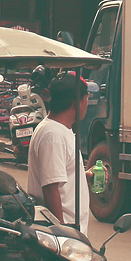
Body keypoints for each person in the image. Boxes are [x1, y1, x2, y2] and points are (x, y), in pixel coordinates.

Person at [27, 72, 85, 227]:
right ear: (77, 103)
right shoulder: (54, 135)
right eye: (87, 99)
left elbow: (57, 177)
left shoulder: (59, 131)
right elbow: (51, 188)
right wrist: (61, 233)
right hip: (63, 234)